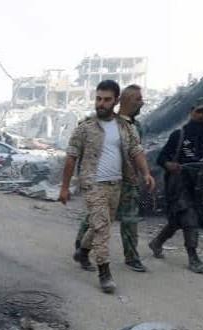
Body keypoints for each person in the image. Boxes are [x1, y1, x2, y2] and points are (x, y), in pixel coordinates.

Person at [59, 80, 155, 294]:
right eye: (98, 99)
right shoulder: (85, 128)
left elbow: (136, 151)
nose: (101, 104)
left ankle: (83, 251)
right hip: (93, 184)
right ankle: (104, 273)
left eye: (106, 100)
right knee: (103, 228)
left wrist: (146, 173)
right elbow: (71, 157)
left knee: (100, 225)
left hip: (117, 184)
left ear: (116, 101)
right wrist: (64, 187)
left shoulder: (125, 127)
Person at [74, 84, 148, 272]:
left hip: (127, 181)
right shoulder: (96, 123)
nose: (142, 103)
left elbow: (136, 152)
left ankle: (131, 256)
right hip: (102, 180)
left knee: (128, 218)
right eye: (138, 99)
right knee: (97, 218)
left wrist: (144, 173)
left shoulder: (134, 126)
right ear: (128, 100)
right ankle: (84, 251)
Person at [150, 97, 203, 274]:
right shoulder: (178, 135)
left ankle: (157, 242)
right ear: (191, 112)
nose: (201, 115)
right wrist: (169, 165)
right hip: (179, 183)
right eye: (198, 111)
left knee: (176, 221)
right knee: (189, 218)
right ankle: (193, 257)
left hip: (198, 185)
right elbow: (161, 158)